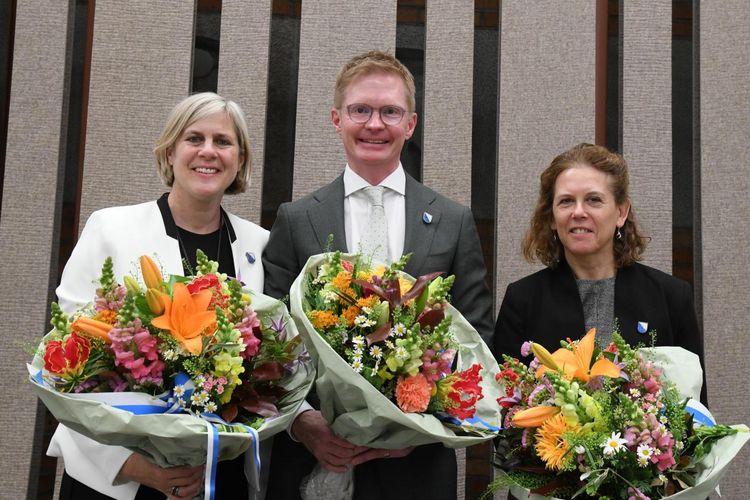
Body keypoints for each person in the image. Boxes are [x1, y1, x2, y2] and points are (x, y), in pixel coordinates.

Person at [262, 50, 493, 500]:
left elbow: (477, 340)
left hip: (417, 471)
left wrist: (421, 424)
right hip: (313, 461)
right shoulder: (295, 219)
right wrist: (304, 423)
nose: (374, 124)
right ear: (336, 119)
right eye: (360, 110)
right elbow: (274, 337)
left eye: (390, 112)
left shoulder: (453, 221)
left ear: (411, 124)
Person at [49, 92, 269, 500]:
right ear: (170, 152)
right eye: (194, 138)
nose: (208, 151)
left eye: (223, 141)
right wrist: (137, 467)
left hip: (215, 475)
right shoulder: (111, 230)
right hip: (119, 477)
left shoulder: (259, 246)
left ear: (240, 160)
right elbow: (66, 368)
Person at [493, 143, 707, 405]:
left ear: (621, 212)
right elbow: (505, 409)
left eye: (593, 200)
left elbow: (696, 413)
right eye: (566, 201)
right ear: (551, 218)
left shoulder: (671, 297)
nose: (578, 212)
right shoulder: (522, 300)